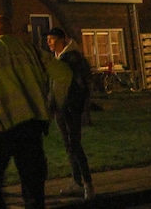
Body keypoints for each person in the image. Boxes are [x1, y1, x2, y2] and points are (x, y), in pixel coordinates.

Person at [0, 15, 72, 209]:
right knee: (33, 184)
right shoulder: (32, 51)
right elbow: (64, 73)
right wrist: (53, 101)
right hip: (31, 127)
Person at [45, 27, 95, 200]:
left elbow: (80, 85)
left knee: (75, 145)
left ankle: (88, 184)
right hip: (61, 108)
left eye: (52, 39)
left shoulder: (72, 59)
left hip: (71, 108)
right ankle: (77, 182)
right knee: (69, 146)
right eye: (48, 39)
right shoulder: (58, 58)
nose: (48, 42)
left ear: (62, 40)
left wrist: (79, 107)